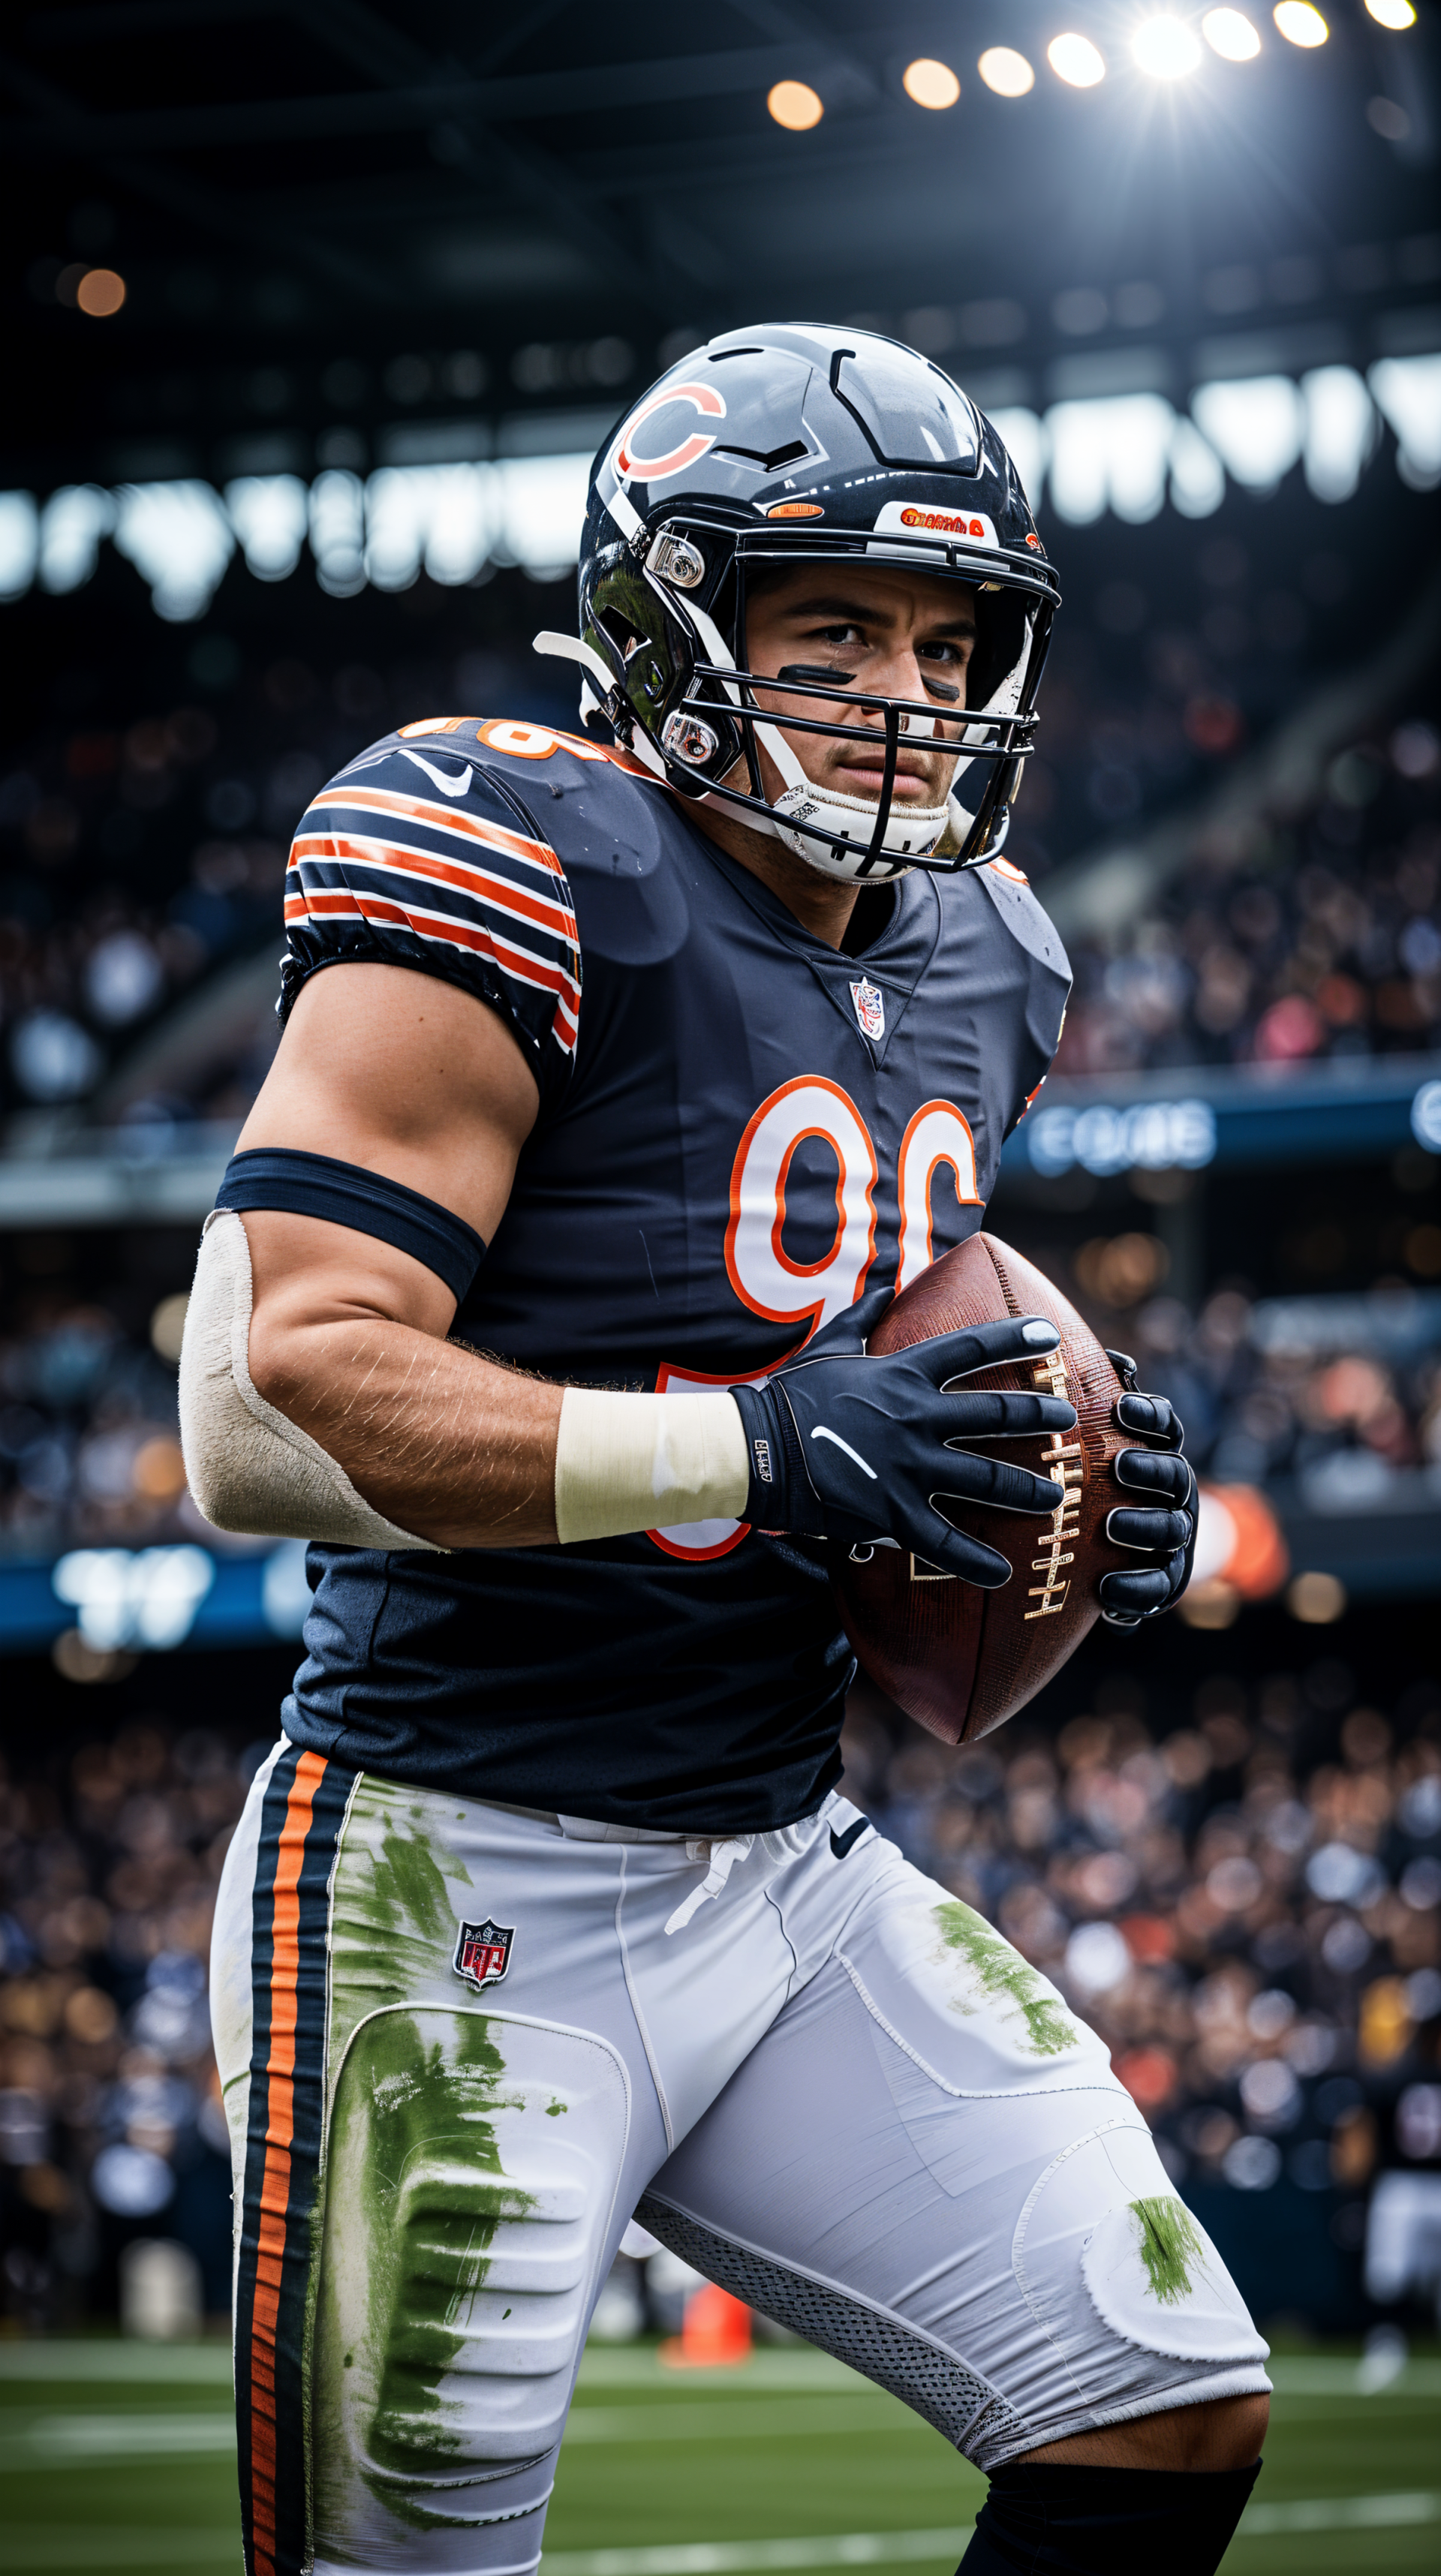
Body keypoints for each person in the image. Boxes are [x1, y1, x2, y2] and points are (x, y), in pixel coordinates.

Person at [190, 327, 1261, 2576]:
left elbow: (891, 1329)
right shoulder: (517, 843)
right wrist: (759, 1459)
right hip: (447, 1871)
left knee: (1157, 2403)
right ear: (680, 626)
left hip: (777, 1863)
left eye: (951, 640)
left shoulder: (994, 960)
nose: (908, 689)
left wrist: (1077, 1481)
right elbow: (288, 1380)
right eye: (838, 626)